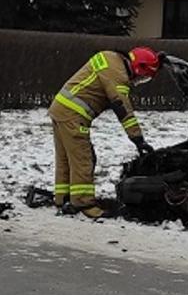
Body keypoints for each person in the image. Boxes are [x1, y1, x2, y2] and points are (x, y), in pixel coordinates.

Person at [48, 46, 162, 218]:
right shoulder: (118, 76)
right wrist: (138, 139)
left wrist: (159, 61)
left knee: (65, 158)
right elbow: (122, 107)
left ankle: (63, 198)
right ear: (139, 68)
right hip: (73, 115)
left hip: (60, 109)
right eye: (144, 77)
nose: (140, 81)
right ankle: (83, 204)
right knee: (83, 160)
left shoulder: (110, 58)